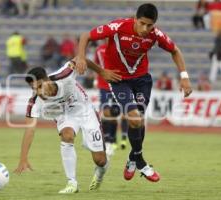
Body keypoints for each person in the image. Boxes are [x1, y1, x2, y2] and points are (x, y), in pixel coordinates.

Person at [75, 3, 192, 182]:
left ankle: (132, 158)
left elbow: (175, 51)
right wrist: (82, 57)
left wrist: (184, 77)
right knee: (135, 118)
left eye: (150, 25)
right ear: (135, 19)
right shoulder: (118, 27)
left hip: (142, 80)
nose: (145, 29)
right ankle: (141, 162)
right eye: (142, 23)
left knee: (139, 122)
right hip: (118, 80)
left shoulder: (155, 35)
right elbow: (86, 36)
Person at [14, 59, 121, 193]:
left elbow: (80, 59)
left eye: (40, 86)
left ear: (48, 79)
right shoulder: (35, 101)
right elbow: (29, 130)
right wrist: (23, 158)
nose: (39, 92)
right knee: (67, 135)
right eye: (34, 88)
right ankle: (72, 182)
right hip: (65, 116)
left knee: (100, 160)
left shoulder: (65, 74)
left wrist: (101, 72)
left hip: (85, 111)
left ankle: (100, 173)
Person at [94, 40, 128, 157]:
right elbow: (97, 65)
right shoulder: (99, 50)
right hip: (103, 85)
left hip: (116, 84)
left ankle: (114, 139)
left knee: (114, 113)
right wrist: (96, 78)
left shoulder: (119, 49)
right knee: (106, 111)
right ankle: (109, 140)